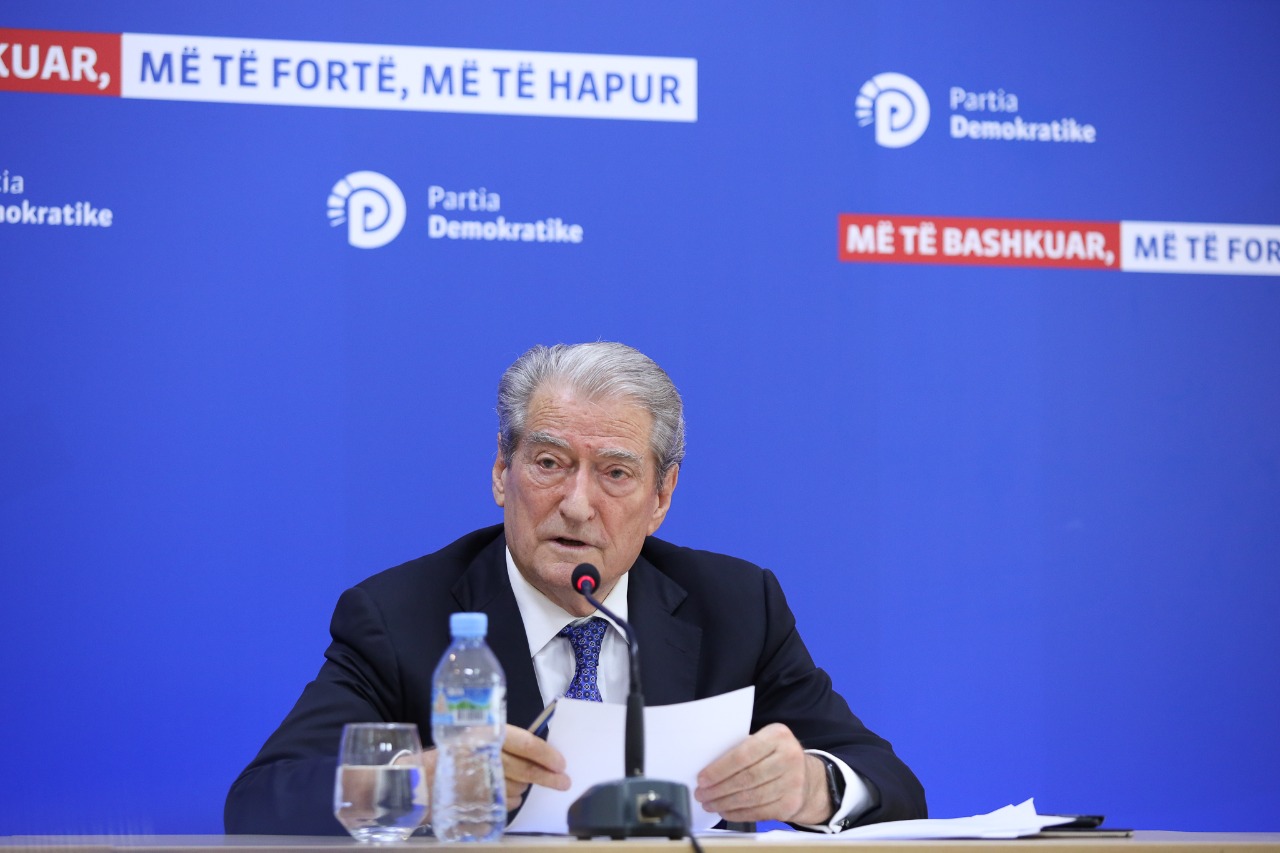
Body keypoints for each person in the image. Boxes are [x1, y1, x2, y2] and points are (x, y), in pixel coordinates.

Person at [225, 342, 926, 834]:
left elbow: (892, 784)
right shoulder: (400, 615)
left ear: (661, 496)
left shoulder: (737, 605)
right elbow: (259, 804)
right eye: (549, 462)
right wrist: (423, 783)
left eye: (615, 473)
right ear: (501, 473)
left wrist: (809, 786)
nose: (577, 504)